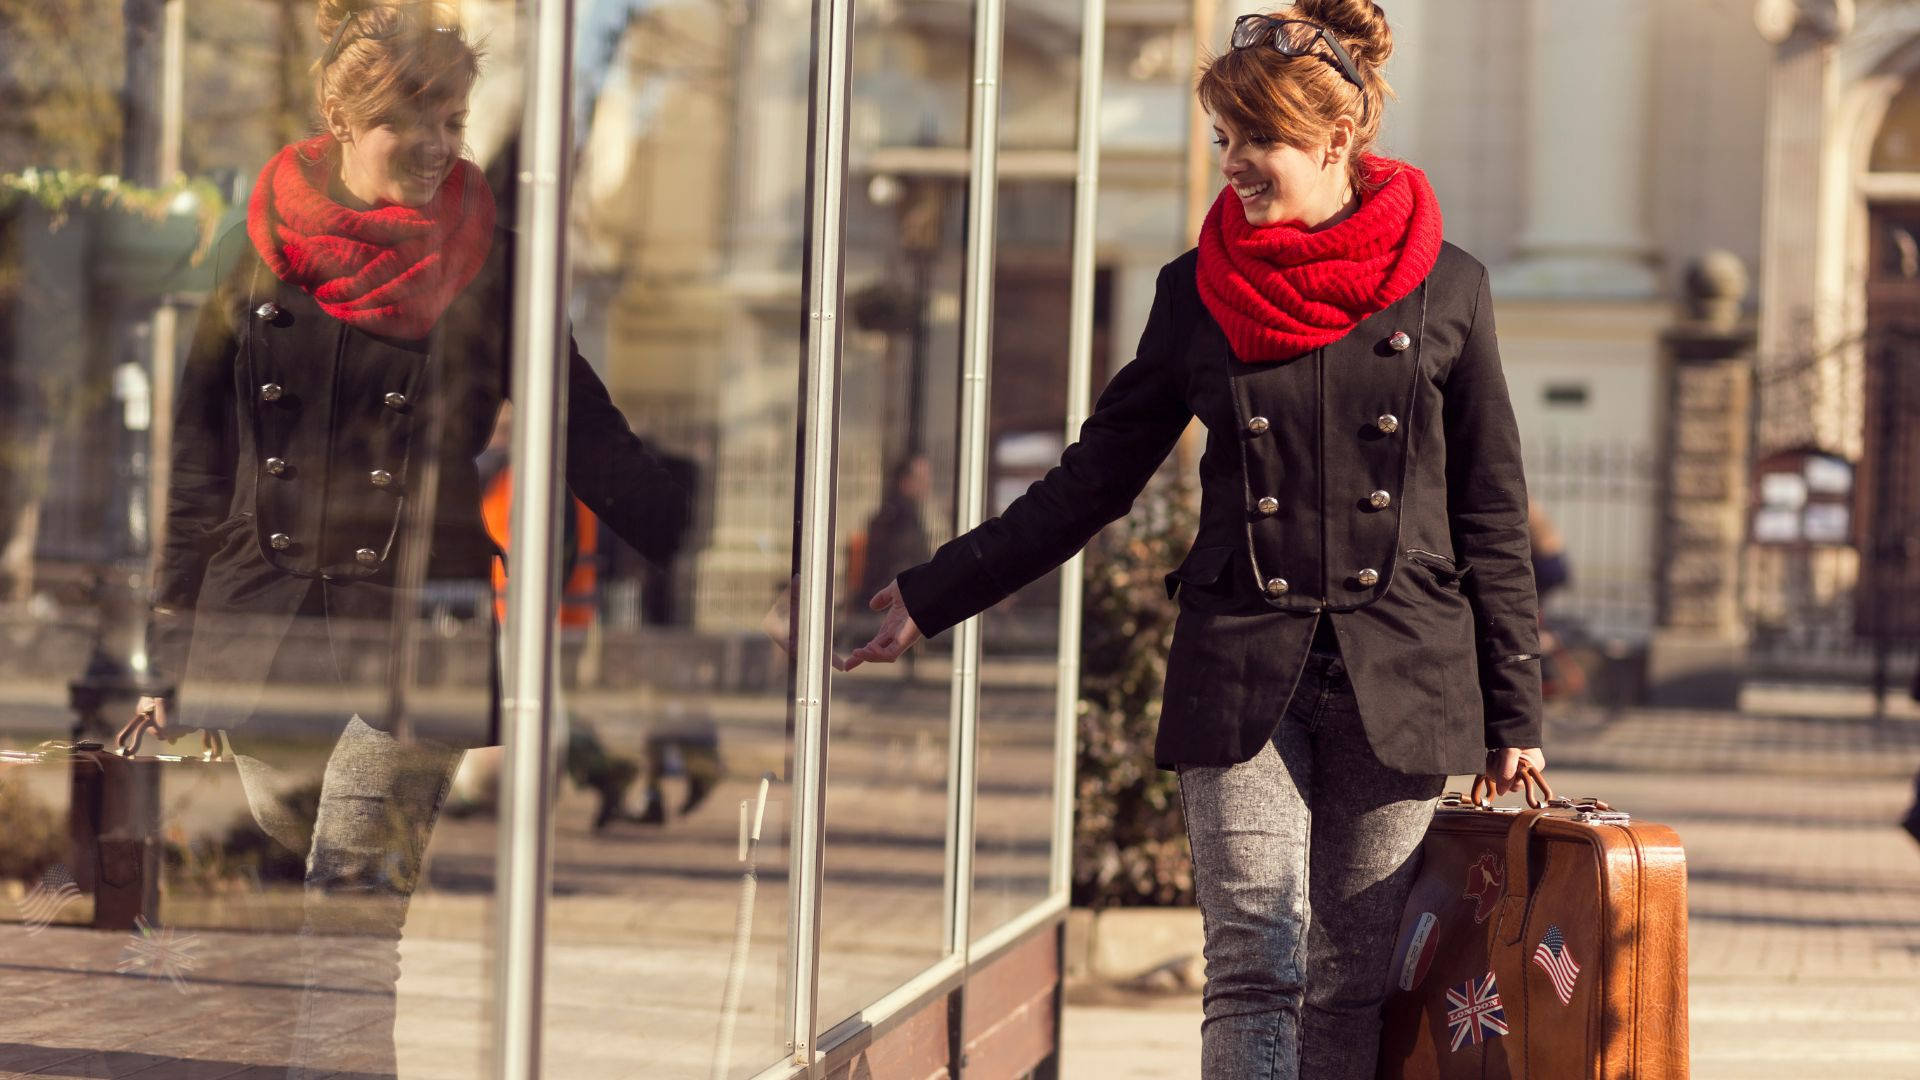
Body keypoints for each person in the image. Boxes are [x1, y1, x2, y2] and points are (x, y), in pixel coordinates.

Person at [842, 3, 1546, 1076]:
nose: (1233, 167)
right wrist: (937, 591)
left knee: (1354, 981)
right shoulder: (1195, 293)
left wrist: (1518, 713)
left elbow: (1492, 511)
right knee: (1255, 962)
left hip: (1400, 675)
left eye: (1255, 142)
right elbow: (1094, 480)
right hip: (1242, 665)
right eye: (1223, 141)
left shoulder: (1449, 288)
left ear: (1334, 142)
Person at [119, 0, 687, 1072]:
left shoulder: (491, 259)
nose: (435, 148)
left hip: (420, 617)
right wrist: (167, 646)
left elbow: (584, 429)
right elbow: (200, 463)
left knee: (349, 914)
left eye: (455, 123)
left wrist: (719, 549)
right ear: (341, 117)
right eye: (408, 123)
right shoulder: (252, 255)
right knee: (291, 911)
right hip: (261, 618)